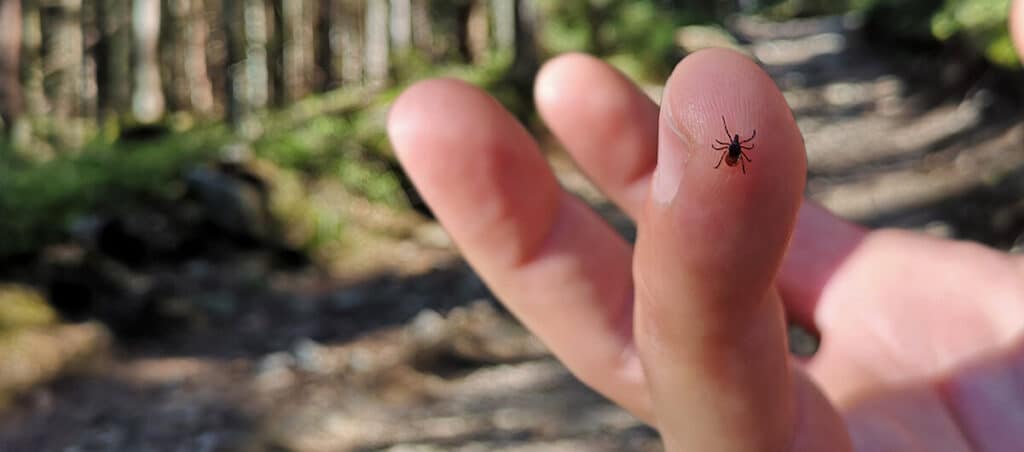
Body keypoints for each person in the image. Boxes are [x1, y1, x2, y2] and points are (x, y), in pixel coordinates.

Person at [386, 3, 1024, 450]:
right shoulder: (733, 150)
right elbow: (732, 147)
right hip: (734, 155)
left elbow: (733, 147)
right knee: (723, 169)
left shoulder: (734, 149)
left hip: (735, 155)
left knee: (723, 174)